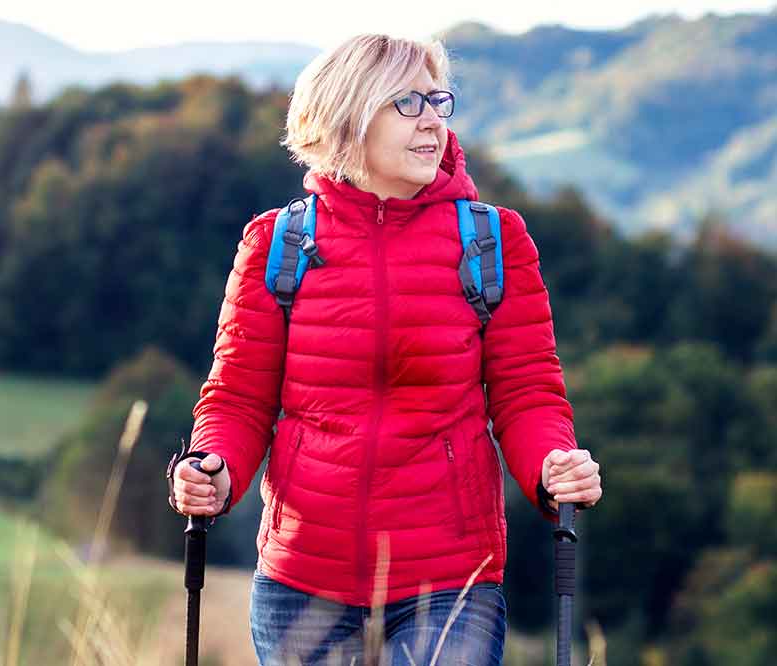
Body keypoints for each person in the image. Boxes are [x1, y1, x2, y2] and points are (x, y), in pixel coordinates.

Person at [167, 33, 603, 666]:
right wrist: (214, 470)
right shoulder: (277, 243)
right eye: (407, 103)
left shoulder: (494, 241)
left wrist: (552, 465)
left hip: (450, 578)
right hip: (301, 579)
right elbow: (237, 399)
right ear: (349, 116)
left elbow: (528, 392)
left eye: (437, 100)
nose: (433, 120)